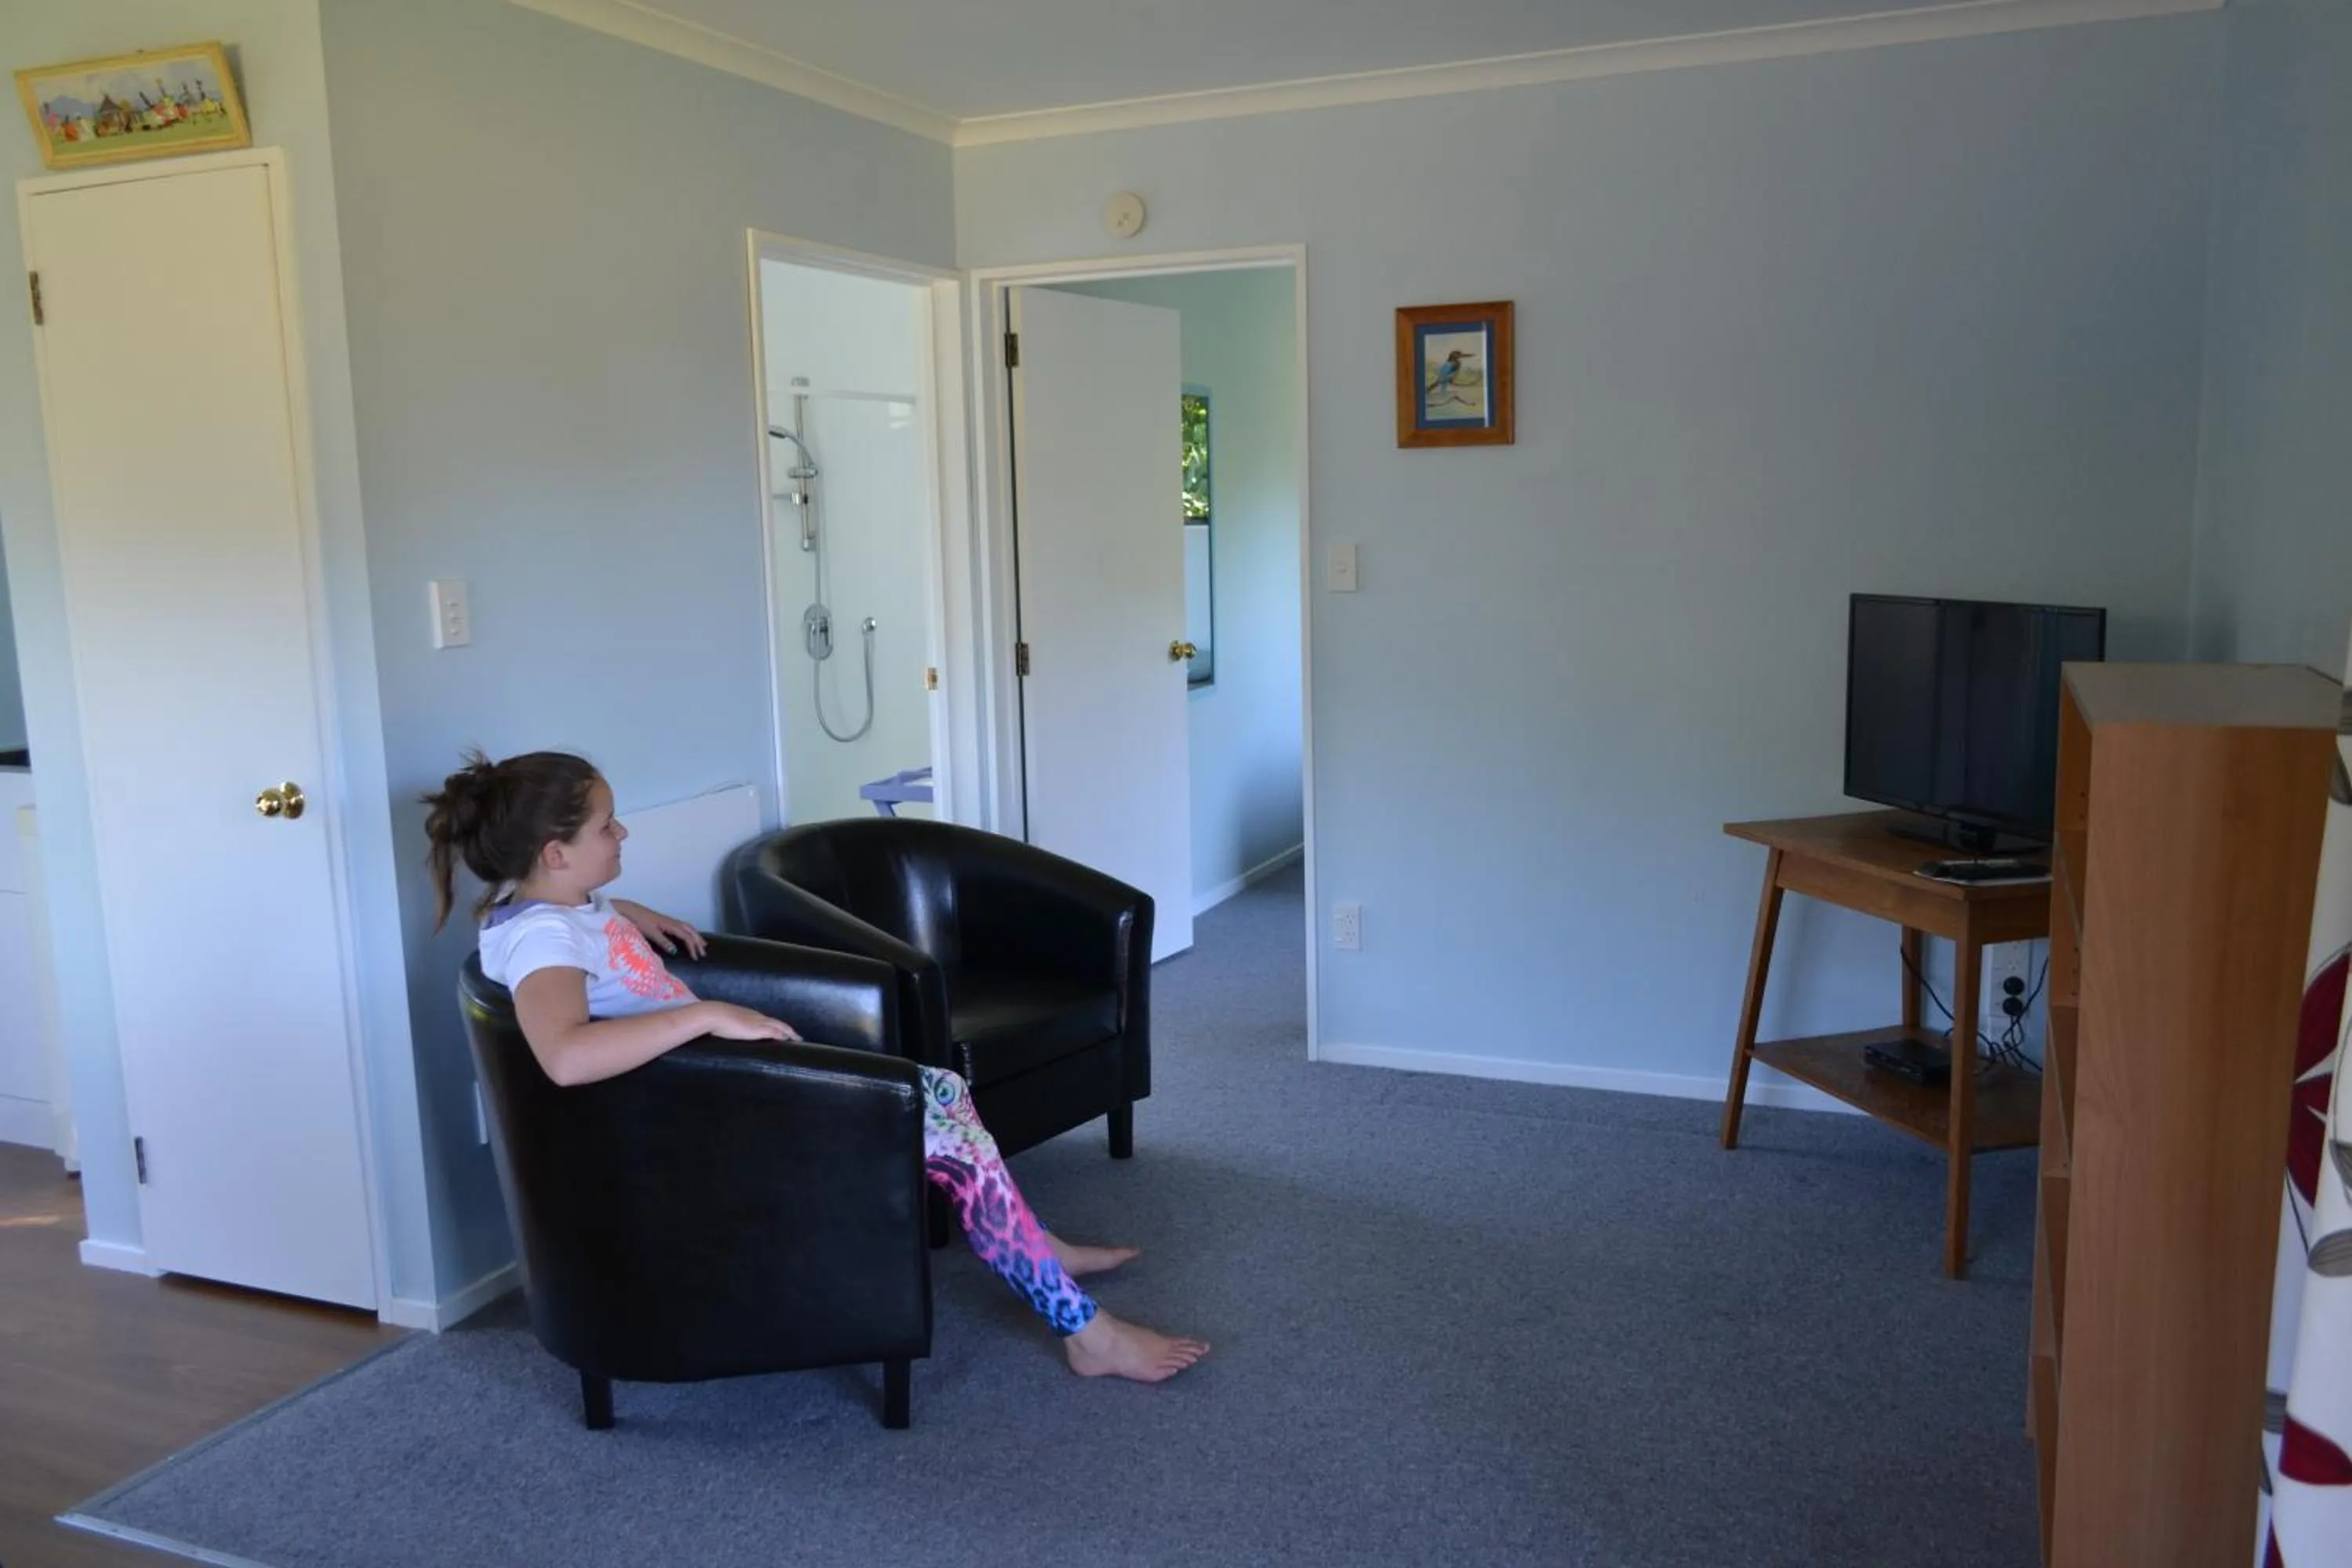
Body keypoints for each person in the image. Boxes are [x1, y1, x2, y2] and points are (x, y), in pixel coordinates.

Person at [423, 750, 1208, 1384]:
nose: (622, 832)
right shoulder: (542, 942)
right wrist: (703, 1012)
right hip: (702, 1127)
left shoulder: (542, 905)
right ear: (557, 852)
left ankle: (1036, 1244)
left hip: (722, 1091)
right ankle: (1087, 1331)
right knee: (939, 1108)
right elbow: (562, 1056)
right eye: (605, 825)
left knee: (942, 1095)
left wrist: (631, 914)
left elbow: (577, 932)